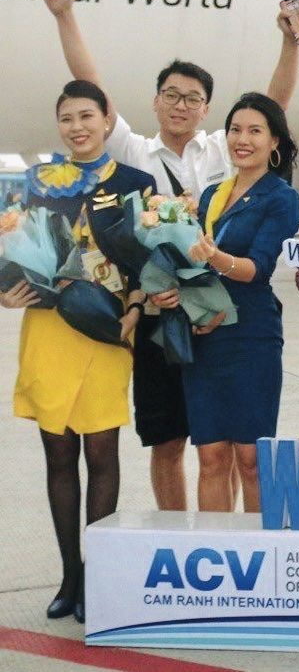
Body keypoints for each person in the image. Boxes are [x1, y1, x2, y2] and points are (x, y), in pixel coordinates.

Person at [31, 0, 299, 512]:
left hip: (223, 319)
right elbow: (93, 90)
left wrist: (292, 44)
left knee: (227, 448)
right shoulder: (134, 150)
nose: (180, 105)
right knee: (167, 441)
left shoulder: (223, 151)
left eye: (192, 98)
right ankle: (177, 537)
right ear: (155, 101)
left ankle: (227, 538)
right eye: (170, 95)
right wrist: (66, 16)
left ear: (207, 109)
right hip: (160, 317)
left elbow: (272, 109)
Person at [2, 81, 151, 622]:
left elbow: (146, 258)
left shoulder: (135, 180)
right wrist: (4, 290)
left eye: (86, 116)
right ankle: (69, 574)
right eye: (67, 118)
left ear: (107, 119)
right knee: (58, 456)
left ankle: (97, 575)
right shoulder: (39, 180)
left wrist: (135, 305)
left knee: (102, 454)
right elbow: (16, 247)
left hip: (107, 329)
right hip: (47, 328)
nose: (77, 127)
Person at [154, 93, 299, 512]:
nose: (243, 139)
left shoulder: (281, 197)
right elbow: (191, 263)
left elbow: (258, 268)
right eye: (236, 129)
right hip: (207, 334)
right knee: (211, 455)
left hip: (251, 335)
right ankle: (216, 560)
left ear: (274, 141)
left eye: (255, 131)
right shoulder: (214, 192)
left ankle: (258, 554)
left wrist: (214, 257)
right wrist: (172, 290)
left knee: (251, 458)